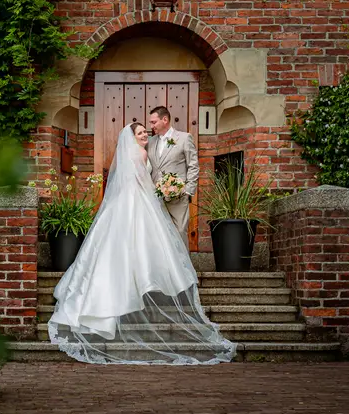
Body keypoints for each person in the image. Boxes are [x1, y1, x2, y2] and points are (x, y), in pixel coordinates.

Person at [47, 122, 235, 364]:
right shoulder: (142, 153)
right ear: (132, 137)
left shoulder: (128, 153)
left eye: (146, 131)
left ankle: (112, 295)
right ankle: (137, 288)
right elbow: (142, 181)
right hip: (139, 201)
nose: (145, 134)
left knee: (116, 248)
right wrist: (162, 190)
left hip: (121, 204)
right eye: (141, 133)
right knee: (141, 245)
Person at [147, 106, 199, 246]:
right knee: (158, 235)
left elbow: (193, 165)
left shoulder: (184, 138)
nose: (151, 126)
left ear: (165, 119)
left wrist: (188, 191)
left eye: (153, 122)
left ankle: (183, 267)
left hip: (178, 197)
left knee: (180, 232)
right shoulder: (150, 142)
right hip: (155, 197)